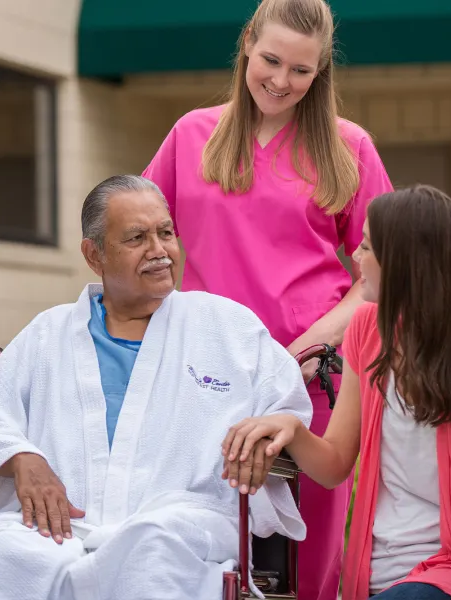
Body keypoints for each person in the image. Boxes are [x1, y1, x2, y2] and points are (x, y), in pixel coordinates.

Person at [0, 175, 313, 600]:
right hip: (57, 529)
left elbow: (286, 406)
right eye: (137, 238)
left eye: (166, 233)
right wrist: (21, 459)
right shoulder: (48, 333)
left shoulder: (226, 326)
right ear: (95, 255)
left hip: (178, 525)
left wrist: (271, 427)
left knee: (148, 555)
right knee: (3, 556)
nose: (159, 251)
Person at [141, 0, 393, 596]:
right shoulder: (190, 136)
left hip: (312, 386)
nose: (281, 82)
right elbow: (142, 243)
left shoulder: (349, 146)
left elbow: (386, 271)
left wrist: (305, 345)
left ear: (321, 69)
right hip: (199, 384)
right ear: (248, 43)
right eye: (271, 60)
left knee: (304, 572)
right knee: (196, 558)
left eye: (301, 71)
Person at [221, 185, 451, 600]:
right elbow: (335, 463)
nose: (354, 257)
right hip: (374, 578)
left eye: (367, 247)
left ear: (407, 265)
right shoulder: (368, 331)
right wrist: (291, 430)